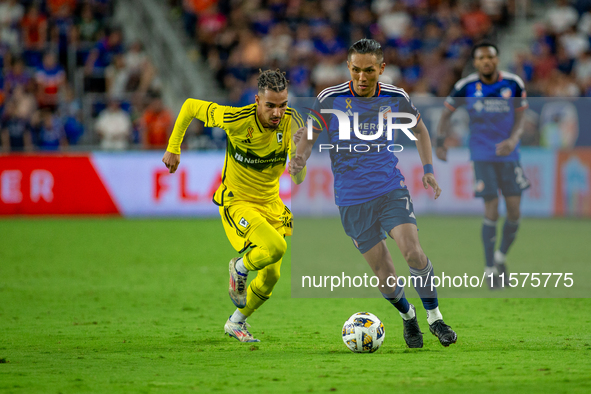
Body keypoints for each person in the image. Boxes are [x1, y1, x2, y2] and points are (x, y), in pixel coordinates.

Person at [290, 39, 457, 348]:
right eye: (355, 70)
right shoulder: (330, 98)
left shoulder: (395, 97)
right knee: (385, 274)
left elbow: (419, 131)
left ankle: (435, 318)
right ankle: (409, 318)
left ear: (382, 68)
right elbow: (310, 137)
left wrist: (428, 169)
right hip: (352, 200)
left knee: (413, 252)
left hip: (390, 188)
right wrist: (300, 157)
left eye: (369, 70)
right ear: (348, 68)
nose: (362, 77)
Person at [162, 69, 306, 343]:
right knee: (276, 247)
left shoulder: (292, 123)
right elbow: (191, 106)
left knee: (272, 275)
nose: (278, 113)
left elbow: (299, 175)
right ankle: (240, 266)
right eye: (271, 106)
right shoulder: (237, 119)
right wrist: (174, 146)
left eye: (283, 105)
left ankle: (236, 322)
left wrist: (299, 165)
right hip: (239, 201)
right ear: (256, 101)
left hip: (271, 203)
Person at [436, 42, 529, 289]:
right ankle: (490, 269)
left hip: (509, 154)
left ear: (497, 60)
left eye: (490, 56)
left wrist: (512, 139)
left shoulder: (513, 83)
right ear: (476, 63)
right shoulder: (465, 86)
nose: (486, 61)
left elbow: (521, 116)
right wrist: (439, 141)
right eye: (481, 58)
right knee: (491, 209)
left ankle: (500, 257)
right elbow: (446, 113)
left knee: (514, 212)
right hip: (481, 154)